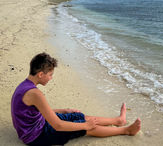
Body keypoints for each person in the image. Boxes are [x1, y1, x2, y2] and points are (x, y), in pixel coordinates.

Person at [11, 52, 141, 145]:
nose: (51, 78)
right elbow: (58, 125)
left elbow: (39, 111)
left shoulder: (25, 85)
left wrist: (64, 110)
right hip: (36, 136)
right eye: (50, 74)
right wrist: (85, 126)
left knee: (79, 116)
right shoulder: (35, 93)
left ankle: (118, 120)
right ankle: (126, 130)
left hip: (39, 124)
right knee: (87, 127)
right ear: (40, 74)